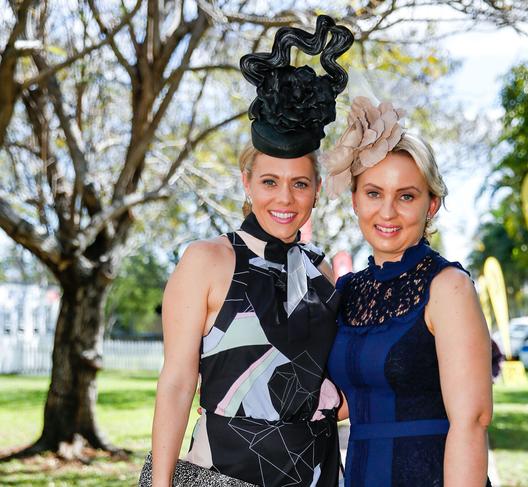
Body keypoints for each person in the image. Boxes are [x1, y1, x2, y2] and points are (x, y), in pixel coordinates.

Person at [149, 16, 353, 487]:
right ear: (246, 182)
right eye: (269, 182)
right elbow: (178, 384)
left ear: (317, 190)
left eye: (299, 183)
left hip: (318, 471)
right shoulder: (205, 261)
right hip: (224, 469)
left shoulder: (322, 271)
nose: (284, 199)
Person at [324, 96, 493, 486]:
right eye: (373, 193)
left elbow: (473, 420)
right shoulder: (348, 291)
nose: (387, 212)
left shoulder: (448, 288)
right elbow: (355, 400)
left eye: (406, 196)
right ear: (354, 201)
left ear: (431, 204)